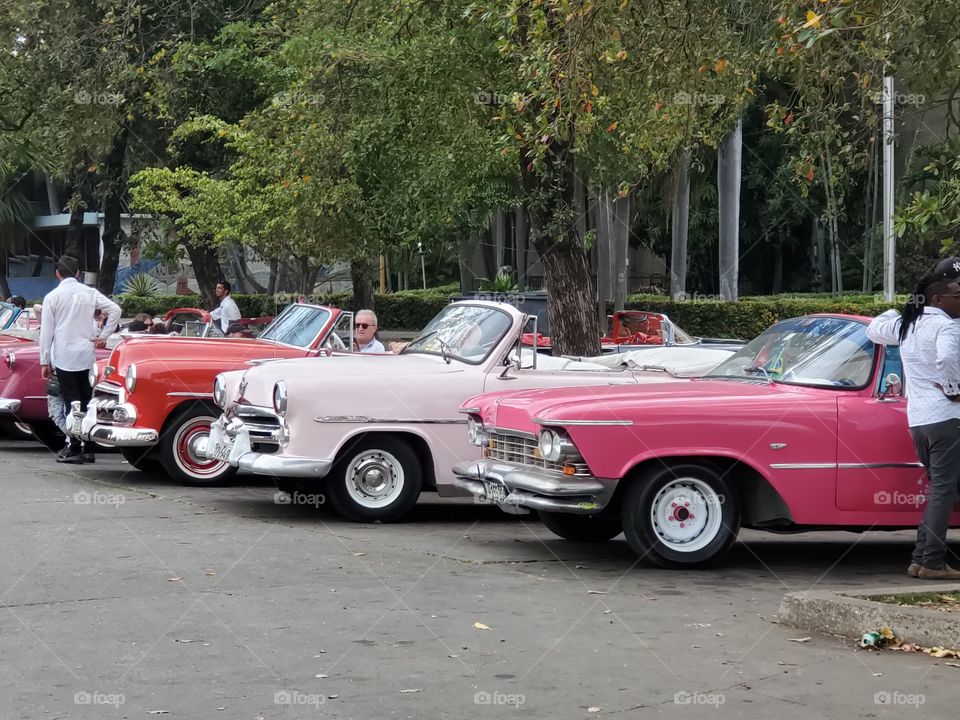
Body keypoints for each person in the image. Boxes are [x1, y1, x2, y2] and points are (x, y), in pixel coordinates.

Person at [866, 256, 960, 580]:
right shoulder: (946, 325)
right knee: (943, 491)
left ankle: (920, 560)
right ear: (938, 298)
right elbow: (947, 357)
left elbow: (874, 328)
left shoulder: (908, 324)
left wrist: (894, 310)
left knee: (939, 489)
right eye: (957, 295)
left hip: (918, 421)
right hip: (948, 418)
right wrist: (953, 388)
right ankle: (932, 562)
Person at [39, 256, 121, 464]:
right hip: (86, 355)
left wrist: (44, 360)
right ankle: (87, 446)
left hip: (64, 356)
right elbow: (115, 310)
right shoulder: (90, 293)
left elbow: (46, 333)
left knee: (71, 402)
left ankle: (73, 445)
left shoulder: (52, 297)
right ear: (78, 273)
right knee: (86, 400)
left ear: (58, 274)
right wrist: (104, 336)